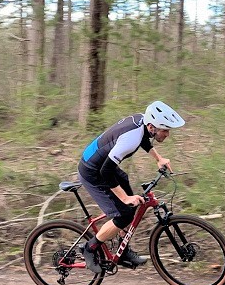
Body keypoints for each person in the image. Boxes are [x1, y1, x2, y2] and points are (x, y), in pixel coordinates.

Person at [77, 100, 185, 273]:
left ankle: (123, 250)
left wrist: (158, 159)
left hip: (102, 165)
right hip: (92, 172)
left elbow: (144, 140)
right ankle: (89, 248)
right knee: (124, 215)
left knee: (130, 204)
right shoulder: (130, 139)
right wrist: (125, 198)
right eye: (165, 130)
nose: (167, 134)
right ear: (152, 127)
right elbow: (106, 172)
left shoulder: (142, 123)